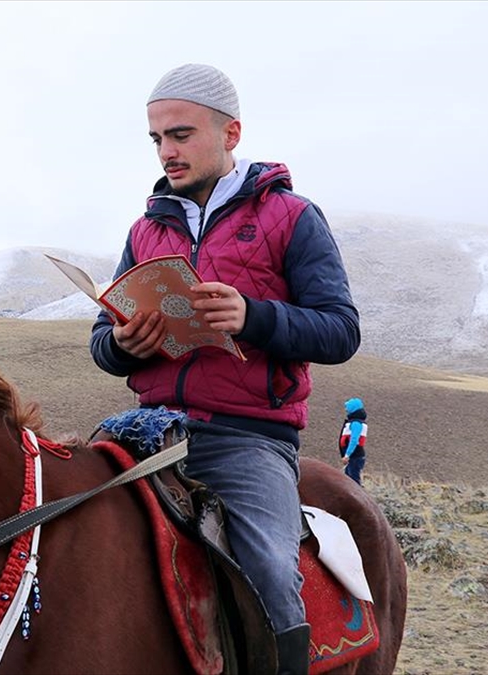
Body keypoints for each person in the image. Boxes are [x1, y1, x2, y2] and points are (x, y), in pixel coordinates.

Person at [90, 63, 360, 675]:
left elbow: (342, 330)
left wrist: (253, 316)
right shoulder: (145, 228)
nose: (166, 151)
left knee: (268, 569)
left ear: (230, 133)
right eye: (157, 139)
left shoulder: (292, 217)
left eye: (180, 135)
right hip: (148, 428)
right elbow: (102, 345)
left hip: (248, 438)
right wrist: (128, 343)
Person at [339, 397, 368, 486]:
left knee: (354, 482)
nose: (346, 410)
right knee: (349, 480)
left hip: (355, 456)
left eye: (347, 408)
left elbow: (354, 440)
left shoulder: (356, 423)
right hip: (354, 456)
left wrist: (347, 455)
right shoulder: (355, 422)